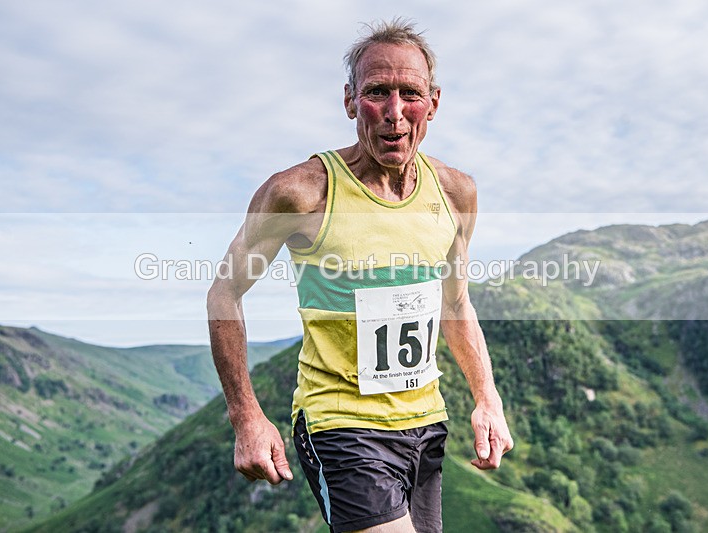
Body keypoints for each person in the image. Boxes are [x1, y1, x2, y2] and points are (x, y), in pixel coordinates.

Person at [207, 18, 513, 533]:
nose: (394, 113)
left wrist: (488, 399)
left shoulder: (456, 194)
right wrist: (246, 416)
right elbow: (224, 294)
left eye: (409, 94)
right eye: (377, 92)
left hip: (425, 423)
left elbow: (455, 304)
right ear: (350, 101)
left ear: (433, 103)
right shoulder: (300, 194)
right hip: (340, 424)